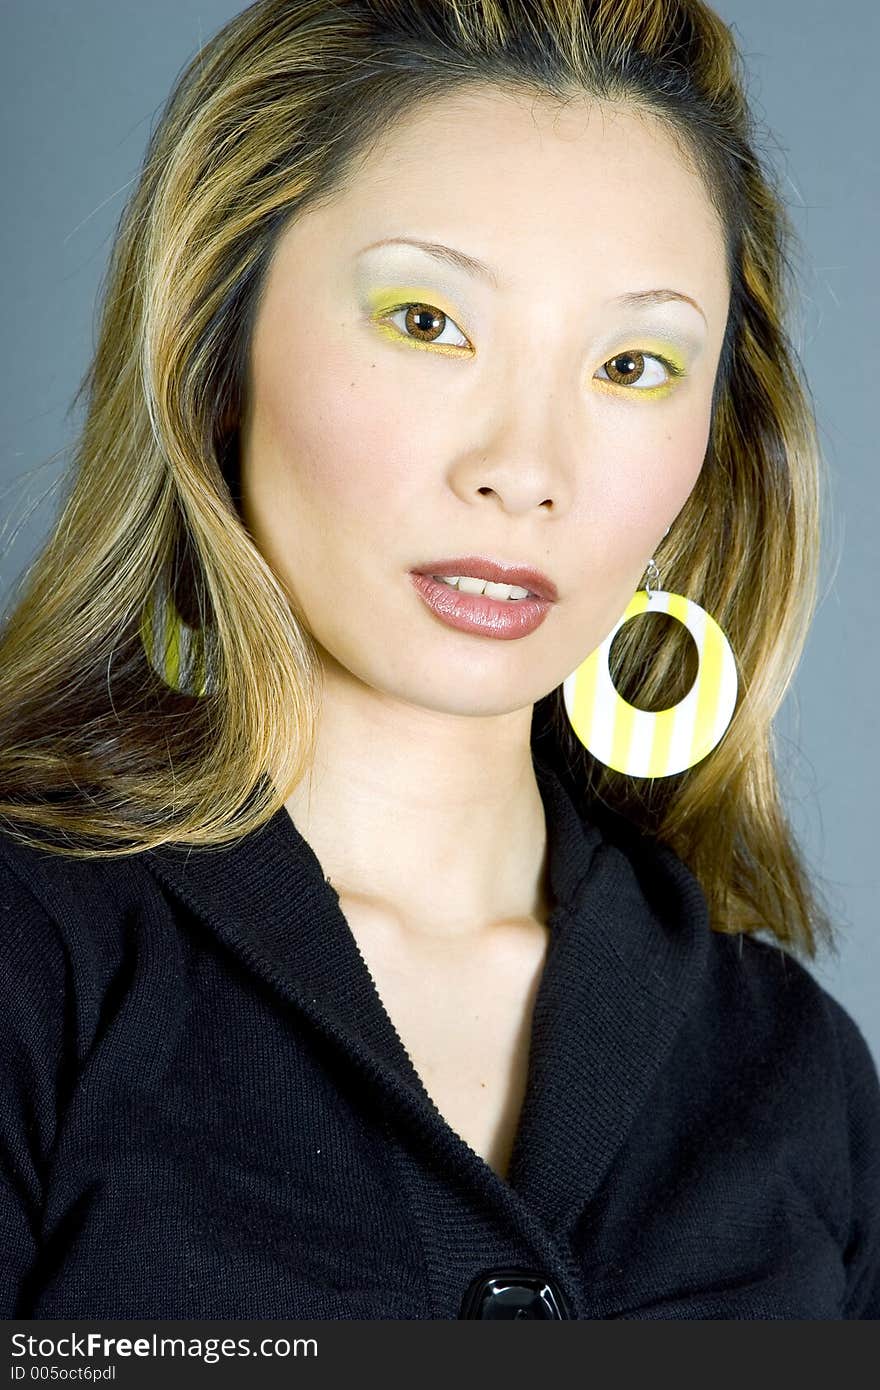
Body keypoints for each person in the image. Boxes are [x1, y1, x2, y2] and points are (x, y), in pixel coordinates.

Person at [0, 0, 877, 1320]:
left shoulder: (797, 1072)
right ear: (213, 346)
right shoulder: (34, 959)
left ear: (708, 445)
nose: (523, 469)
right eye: (426, 321)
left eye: (633, 362)